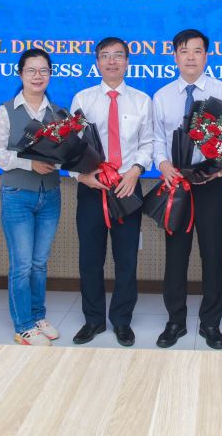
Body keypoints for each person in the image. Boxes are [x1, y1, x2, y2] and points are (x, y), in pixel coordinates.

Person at [152, 28, 222, 350]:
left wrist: (220, 169)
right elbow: (157, 139)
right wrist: (163, 164)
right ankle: (175, 321)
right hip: (176, 184)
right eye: (184, 51)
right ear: (175, 56)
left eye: (197, 51)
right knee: (176, 254)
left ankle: (210, 322)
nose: (190, 57)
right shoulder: (162, 96)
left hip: (212, 185)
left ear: (206, 56)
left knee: (212, 253)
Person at [69, 37, 153, 347]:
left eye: (118, 55)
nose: (112, 61)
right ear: (97, 63)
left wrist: (136, 171)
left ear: (127, 62)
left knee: (126, 258)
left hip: (127, 187)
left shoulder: (142, 100)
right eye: (105, 56)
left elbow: (148, 143)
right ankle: (93, 320)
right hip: (92, 188)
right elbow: (71, 146)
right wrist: (82, 176)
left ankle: (121, 320)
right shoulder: (83, 99)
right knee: (90, 258)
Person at [0, 48, 67, 346]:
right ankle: (23, 325)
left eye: (43, 70)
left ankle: (37, 315)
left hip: (50, 196)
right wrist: (29, 163)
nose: (37, 76)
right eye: (31, 70)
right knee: (21, 265)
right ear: (20, 74)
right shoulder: (6, 111)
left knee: (39, 263)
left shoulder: (59, 114)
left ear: (50, 74)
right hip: (18, 195)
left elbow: (66, 153)